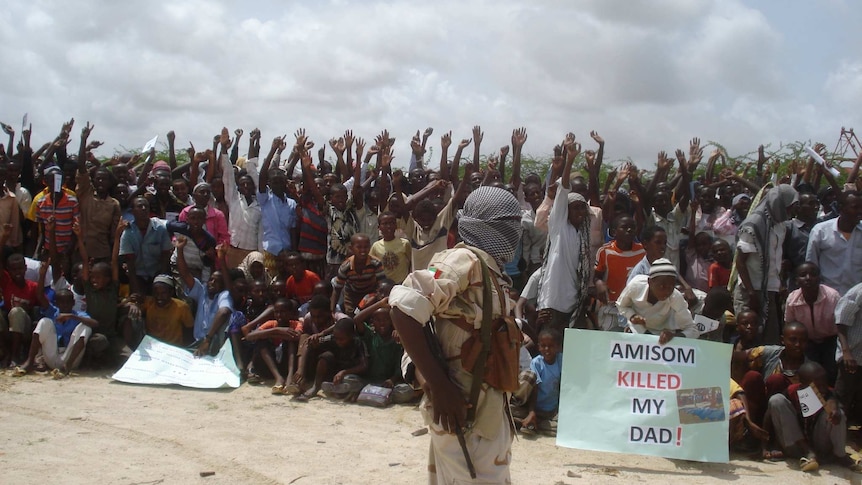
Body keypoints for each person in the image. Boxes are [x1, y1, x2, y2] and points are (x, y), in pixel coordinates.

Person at [389, 184, 524, 484]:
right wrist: (439, 387)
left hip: (483, 410)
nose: (516, 231)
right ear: (489, 225)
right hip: (464, 412)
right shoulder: (464, 260)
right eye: (511, 223)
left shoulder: (490, 269)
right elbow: (403, 307)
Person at [766, 361, 862, 473]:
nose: (822, 388)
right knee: (776, 400)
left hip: (821, 448)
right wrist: (765, 446)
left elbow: (832, 400)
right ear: (803, 384)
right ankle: (807, 452)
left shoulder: (828, 394)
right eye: (817, 385)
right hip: (796, 447)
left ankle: (840, 455)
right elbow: (770, 413)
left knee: (837, 413)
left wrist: (834, 410)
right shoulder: (792, 391)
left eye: (824, 384)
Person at [735, 184, 799, 345]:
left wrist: (780, 283)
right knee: (749, 340)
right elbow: (740, 262)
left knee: (769, 340)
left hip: (770, 289)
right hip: (751, 290)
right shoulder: (754, 225)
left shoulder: (780, 225)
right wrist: (751, 293)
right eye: (790, 206)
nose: (792, 211)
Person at [616, 258, 698, 344]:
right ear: (650, 282)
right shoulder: (636, 286)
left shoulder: (675, 296)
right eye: (662, 286)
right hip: (639, 333)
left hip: (664, 339)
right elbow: (621, 305)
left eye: (671, 287)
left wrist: (674, 337)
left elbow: (693, 330)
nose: (667, 292)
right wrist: (632, 316)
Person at [783, 262, 840, 384]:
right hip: (806, 342)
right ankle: (810, 402)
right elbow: (789, 326)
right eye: (803, 275)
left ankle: (831, 399)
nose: (808, 278)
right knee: (809, 372)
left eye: (813, 274)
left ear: (819, 278)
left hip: (831, 339)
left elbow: (841, 325)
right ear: (797, 280)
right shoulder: (792, 299)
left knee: (831, 371)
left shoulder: (832, 296)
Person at [295, 317, 368, 401]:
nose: (338, 341)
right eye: (336, 338)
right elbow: (311, 343)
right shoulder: (332, 338)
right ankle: (316, 387)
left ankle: (345, 391)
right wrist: (315, 342)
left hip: (350, 373)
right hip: (334, 373)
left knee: (349, 379)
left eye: (341, 339)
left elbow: (364, 365)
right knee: (325, 356)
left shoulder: (359, 343)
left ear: (351, 335)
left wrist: (344, 372)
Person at [805, 190, 862, 295]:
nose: (860, 211)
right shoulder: (821, 231)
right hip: (826, 298)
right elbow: (811, 265)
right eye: (855, 207)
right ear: (841, 208)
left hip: (857, 299)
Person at [245, 297, 303, 395]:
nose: (279, 315)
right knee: (261, 342)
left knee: (291, 342)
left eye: (283, 312)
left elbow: (296, 337)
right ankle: (278, 378)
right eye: (277, 312)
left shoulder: (296, 324)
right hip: (271, 366)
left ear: (290, 313)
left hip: (286, 363)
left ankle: (290, 377)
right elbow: (249, 336)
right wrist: (276, 330)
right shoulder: (271, 324)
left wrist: (268, 334)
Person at [514, 328, 562, 436]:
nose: (546, 349)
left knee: (564, 427)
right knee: (528, 376)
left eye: (551, 346)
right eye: (543, 345)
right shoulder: (537, 363)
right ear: (538, 347)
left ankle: (532, 424)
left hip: (551, 410)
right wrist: (532, 411)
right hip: (534, 407)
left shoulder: (561, 360)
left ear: (558, 347)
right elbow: (535, 388)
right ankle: (531, 420)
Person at [594, 215, 644, 304]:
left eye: (632, 227)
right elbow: (597, 276)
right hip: (613, 304)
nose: (629, 230)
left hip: (636, 305)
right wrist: (599, 284)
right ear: (614, 232)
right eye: (624, 227)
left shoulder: (642, 251)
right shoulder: (605, 252)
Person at [133, 274, 193, 347]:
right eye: (156, 293)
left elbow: (189, 331)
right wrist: (135, 305)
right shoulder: (148, 302)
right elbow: (130, 302)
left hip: (173, 348)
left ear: (171, 292)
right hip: (152, 345)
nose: (159, 297)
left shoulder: (182, 307)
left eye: (163, 293)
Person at [332, 233, 385, 315]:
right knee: (352, 316)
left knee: (371, 315)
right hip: (352, 294)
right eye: (359, 247)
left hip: (370, 292)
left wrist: (375, 296)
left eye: (366, 247)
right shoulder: (345, 267)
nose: (363, 250)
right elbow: (337, 289)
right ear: (351, 248)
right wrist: (332, 310)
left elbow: (381, 285)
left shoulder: (376, 263)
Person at [835, 281, 862, 425]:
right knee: (842, 398)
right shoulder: (858, 292)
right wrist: (846, 352)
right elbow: (841, 322)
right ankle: (835, 435)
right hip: (852, 355)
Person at [370, 211, 411, 284]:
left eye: (391, 223)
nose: (388, 226)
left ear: (396, 225)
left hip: (402, 283)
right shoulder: (376, 246)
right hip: (384, 284)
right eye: (385, 224)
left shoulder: (404, 243)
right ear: (379, 227)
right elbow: (372, 265)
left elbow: (411, 262)